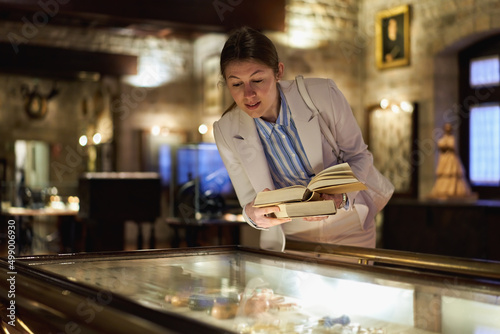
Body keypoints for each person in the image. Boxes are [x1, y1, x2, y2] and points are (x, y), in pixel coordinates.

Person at [213, 26, 379, 252]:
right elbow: (249, 202)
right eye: (236, 84)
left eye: (258, 80)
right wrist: (252, 215)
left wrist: (340, 198)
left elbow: (359, 156)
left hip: (349, 224)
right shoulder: (225, 130)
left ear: (278, 72)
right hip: (291, 237)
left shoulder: (322, 94)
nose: (248, 94)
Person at [429, 123, 472, 199]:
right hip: (445, 159)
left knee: (452, 173)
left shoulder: (452, 138)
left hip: (451, 158)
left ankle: (453, 190)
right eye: (446, 127)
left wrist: (446, 145)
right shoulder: (443, 138)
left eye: (449, 128)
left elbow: (452, 146)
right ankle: (443, 190)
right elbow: (440, 145)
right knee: (445, 174)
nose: (448, 129)